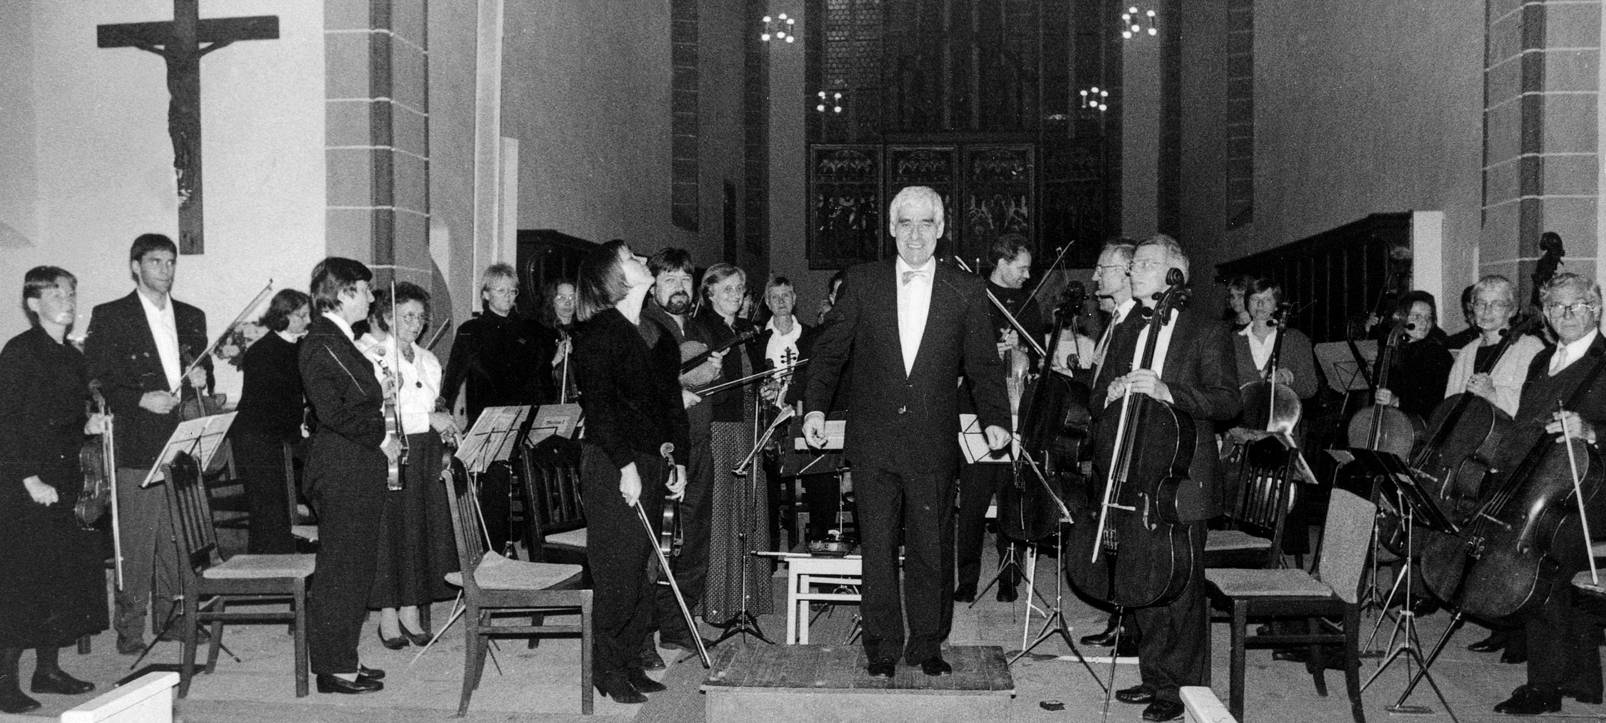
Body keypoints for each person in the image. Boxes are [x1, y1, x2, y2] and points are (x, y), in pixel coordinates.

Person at [803, 185, 1011, 678]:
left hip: (932, 440)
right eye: (906, 224)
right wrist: (813, 410)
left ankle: (926, 642)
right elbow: (830, 352)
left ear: (941, 230)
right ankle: (881, 645)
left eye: (926, 224)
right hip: (872, 439)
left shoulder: (966, 288)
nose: (915, 234)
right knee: (875, 547)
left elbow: (983, 365)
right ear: (892, 228)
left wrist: (996, 419)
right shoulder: (863, 281)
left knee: (931, 547)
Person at [1091, 235, 1239, 722]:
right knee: (1144, 581)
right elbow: (1106, 398)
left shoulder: (1206, 330)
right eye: (1133, 264)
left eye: (1145, 264)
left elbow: (1227, 401)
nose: (1134, 271)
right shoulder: (1132, 327)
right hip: (1137, 474)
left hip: (1184, 477)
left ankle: (1183, 690)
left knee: (1180, 588)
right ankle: (1155, 678)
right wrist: (1114, 390)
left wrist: (1167, 390)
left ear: (1176, 274)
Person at [572, 240, 689, 704]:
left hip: (650, 462)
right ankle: (606, 668)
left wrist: (678, 458)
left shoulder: (653, 333)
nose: (642, 261)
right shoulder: (598, 331)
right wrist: (625, 466)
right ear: (612, 277)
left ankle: (629, 659)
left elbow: (669, 407)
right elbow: (600, 409)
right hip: (613, 463)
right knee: (618, 572)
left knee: (643, 570)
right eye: (631, 259)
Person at [84, 233, 212, 655]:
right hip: (138, 441)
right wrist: (141, 398)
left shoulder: (192, 315)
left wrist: (201, 377)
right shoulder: (112, 315)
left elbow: (202, 365)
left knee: (178, 537)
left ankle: (173, 616)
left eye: (171, 262)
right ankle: (131, 628)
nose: (165, 270)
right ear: (136, 266)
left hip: (181, 442)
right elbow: (98, 377)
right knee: (137, 541)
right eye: (156, 262)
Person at [1486, 273, 1606, 716]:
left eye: (1575, 306)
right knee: (1546, 569)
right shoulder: (1541, 363)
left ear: (1595, 308)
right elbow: (1523, 425)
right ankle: (1582, 681)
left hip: (1592, 493)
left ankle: (1545, 685)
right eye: (1556, 307)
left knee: (1543, 571)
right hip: (1545, 487)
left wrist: (1592, 431)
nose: (1565, 314)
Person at [0, 267, 107, 713]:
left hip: (67, 478)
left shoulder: (71, 355)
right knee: (25, 584)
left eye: (70, 292)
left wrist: (89, 422)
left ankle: (48, 670)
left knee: (61, 579)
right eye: (56, 293)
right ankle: (5, 681)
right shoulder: (20, 352)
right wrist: (30, 479)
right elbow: (8, 423)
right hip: (29, 482)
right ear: (33, 303)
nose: (67, 299)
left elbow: (62, 416)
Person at [299, 257, 393, 694]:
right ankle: (333, 667)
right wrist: (379, 431)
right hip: (341, 467)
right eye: (365, 289)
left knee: (355, 568)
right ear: (342, 293)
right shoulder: (322, 341)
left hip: (354, 464)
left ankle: (345, 658)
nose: (372, 298)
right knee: (341, 569)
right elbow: (334, 412)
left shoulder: (341, 339)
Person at [1441, 275, 1544, 660]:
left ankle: (1516, 632)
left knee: (1504, 547)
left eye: (1496, 304)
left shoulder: (1530, 346)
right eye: (1480, 304)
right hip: (1473, 456)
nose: (1486, 311)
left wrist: (1493, 394)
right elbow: (1452, 402)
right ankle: (1495, 622)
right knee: (1476, 538)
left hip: (1509, 456)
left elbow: (1533, 405)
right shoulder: (1468, 350)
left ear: (1513, 309)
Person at [355, 282, 459, 650]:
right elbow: (375, 411)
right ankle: (387, 613)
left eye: (420, 317)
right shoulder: (371, 354)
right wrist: (428, 418)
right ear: (387, 316)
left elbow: (433, 403)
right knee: (390, 531)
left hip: (426, 453)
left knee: (418, 529)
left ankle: (412, 609)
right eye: (407, 316)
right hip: (391, 450)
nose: (415, 324)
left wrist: (442, 422)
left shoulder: (428, 359)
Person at [637, 247, 719, 667]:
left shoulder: (702, 328)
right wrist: (679, 389)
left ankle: (679, 625)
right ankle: (644, 636)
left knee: (693, 541)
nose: (679, 287)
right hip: (664, 451)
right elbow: (642, 388)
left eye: (685, 280)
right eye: (669, 280)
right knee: (657, 546)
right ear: (653, 286)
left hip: (700, 446)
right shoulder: (646, 326)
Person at [440, 263, 555, 553]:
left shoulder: (531, 331)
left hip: (527, 420)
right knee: (495, 484)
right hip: (490, 422)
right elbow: (452, 381)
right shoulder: (471, 331)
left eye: (512, 290)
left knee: (537, 481)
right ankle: (494, 550)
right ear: (486, 294)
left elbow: (543, 378)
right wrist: (445, 415)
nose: (507, 296)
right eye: (500, 290)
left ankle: (540, 548)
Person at [954, 234, 1042, 605]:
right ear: (1002, 262)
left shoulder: (1030, 304)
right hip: (975, 407)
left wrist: (1021, 350)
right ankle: (967, 580)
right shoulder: (973, 296)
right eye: (1021, 267)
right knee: (972, 503)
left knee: (1011, 499)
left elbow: (1039, 358)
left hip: (1016, 408)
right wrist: (990, 350)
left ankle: (1010, 577)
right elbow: (956, 355)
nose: (1027, 275)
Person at [696, 263, 775, 626]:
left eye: (739, 290)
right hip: (719, 430)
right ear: (709, 293)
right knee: (723, 515)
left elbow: (757, 379)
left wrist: (768, 389)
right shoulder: (701, 329)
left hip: (749, 428)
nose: (735, 296)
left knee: (750, 510)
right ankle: (716, 604)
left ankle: (749, 600)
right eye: (726, 290)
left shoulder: (748, 331)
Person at [1079, 239, 1141, 650]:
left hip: (1122, 442)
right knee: (1111, 533)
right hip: (1104, 437)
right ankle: (1117, 618)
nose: (1096, 275)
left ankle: (1129, 626)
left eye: (1103, 268)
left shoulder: (1136, 321)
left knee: (1123, 534)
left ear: (1126, 273)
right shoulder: (1115, 319)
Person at [230, 289, 311, 554]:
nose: (307, 321)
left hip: (277, 436)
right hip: (256, 440)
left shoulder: (296, 346)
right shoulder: (263, 352)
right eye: (301, 315)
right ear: (283, 316)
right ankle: (270, 568)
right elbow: (270, 405)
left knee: (281, 507)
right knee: (269, 510)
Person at [1373, 290, 1455, 422]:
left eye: (1428, 318)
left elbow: (1438, 402)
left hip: (1422, 426)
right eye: (1416, 317)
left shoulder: (1438, 354)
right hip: (1392, 423)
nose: (1424, 323)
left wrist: (1398, 401)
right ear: (1402, 318)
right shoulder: (1391, 348)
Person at [537, 278, 578, 402]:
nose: (568, 303)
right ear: (551, 302)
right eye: (561, 298)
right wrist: (556, 359)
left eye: (572, 298)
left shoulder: (584, 332)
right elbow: (537, 379)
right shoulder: (541, 335)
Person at [1445, 283, 1481, 349]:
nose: (1474, 318)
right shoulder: (1454, 342)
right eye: (1470, 312)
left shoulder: (1504, 340)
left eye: (1477, 311)